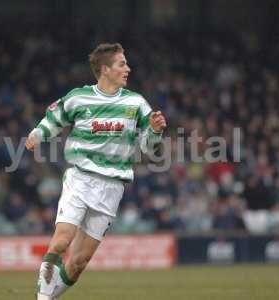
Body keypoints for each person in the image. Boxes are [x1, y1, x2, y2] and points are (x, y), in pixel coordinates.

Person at [25, 43, 166, 299]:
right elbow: (54, 119)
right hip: (80, 179)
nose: (128, 68)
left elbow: (148, 146)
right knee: (60, 241)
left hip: (112, 188)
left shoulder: (136, 103)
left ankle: (49, 296)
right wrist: (37, 133)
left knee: (78, 263)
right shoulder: (79, 97)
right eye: (122, 64)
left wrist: (155, 130)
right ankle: (42, 298)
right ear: (105, 69)